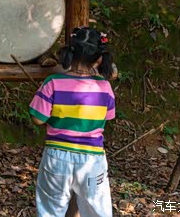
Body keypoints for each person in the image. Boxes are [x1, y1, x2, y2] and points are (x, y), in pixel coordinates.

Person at [29, 27, 116, 217]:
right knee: (97, 210)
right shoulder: (105, 87)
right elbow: (107, 117)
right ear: (99, 59)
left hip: (56, 158)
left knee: (50, 210)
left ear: (70, 51)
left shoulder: (52, 82)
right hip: (92, 160)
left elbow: (38, 118)